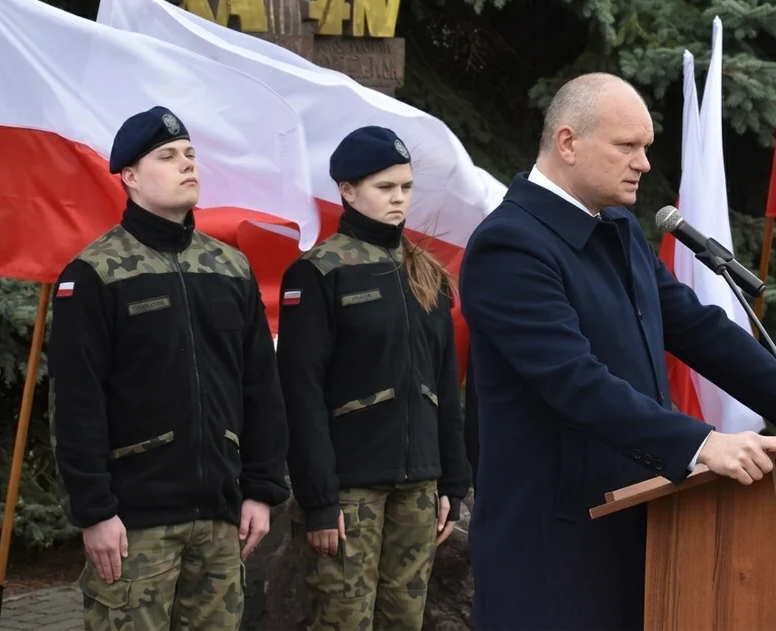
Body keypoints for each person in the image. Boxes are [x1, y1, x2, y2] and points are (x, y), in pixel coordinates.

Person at [458, 72, 776, 631]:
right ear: (568, 143)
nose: (642, 163)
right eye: (626, 147)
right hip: (554, 540)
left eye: (646, 148)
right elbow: (574, 380)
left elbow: (699, 329)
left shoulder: (615, 227)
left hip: (641, 517)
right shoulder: (510, 245)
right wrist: (700, 443)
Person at [48, 106, 289, 631]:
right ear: (130, 177)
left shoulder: (229, 267)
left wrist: (262, 488)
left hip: (222, 522)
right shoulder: (94, 274)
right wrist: (94, 511)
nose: (186, 165)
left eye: (190, 155)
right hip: (134, 526)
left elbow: (260, 388)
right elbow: (76, 402)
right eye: (167, 156)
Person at [275, 126, 470, 631]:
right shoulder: (319, 272)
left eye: (405, 187)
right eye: (386, 188)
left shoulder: (426, 271)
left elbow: (446, 387)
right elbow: (301, 393)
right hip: (348, 490)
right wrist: (318, 500)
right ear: (347, 189)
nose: (399, 199)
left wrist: (452, 479)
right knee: (344, 620)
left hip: (419, 485)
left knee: (405, 621)